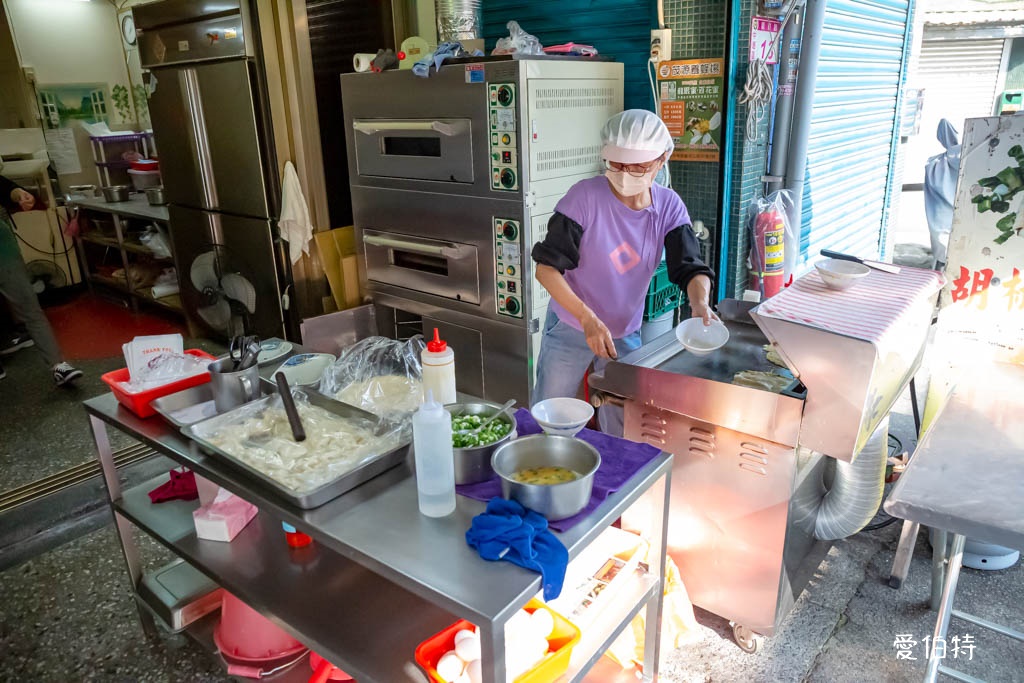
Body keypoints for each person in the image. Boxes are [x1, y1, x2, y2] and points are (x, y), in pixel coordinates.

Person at [531, 109, 715, 434]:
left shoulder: (668, 207)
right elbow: (547, 270)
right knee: (550, 413)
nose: (626, 173)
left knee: (624, 418)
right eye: (616, 164)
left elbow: (690, 267)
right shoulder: (584, 198)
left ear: (662, 159)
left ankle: (613, 483)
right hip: (572, 323)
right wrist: (587, 318)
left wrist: (700, 303)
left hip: (623, 328)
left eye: (638, 166)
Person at [0, 173, 82, 385]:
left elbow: (3, 186)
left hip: (2, 248)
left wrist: (19, 194)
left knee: (28, 304)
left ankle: (58, 365)